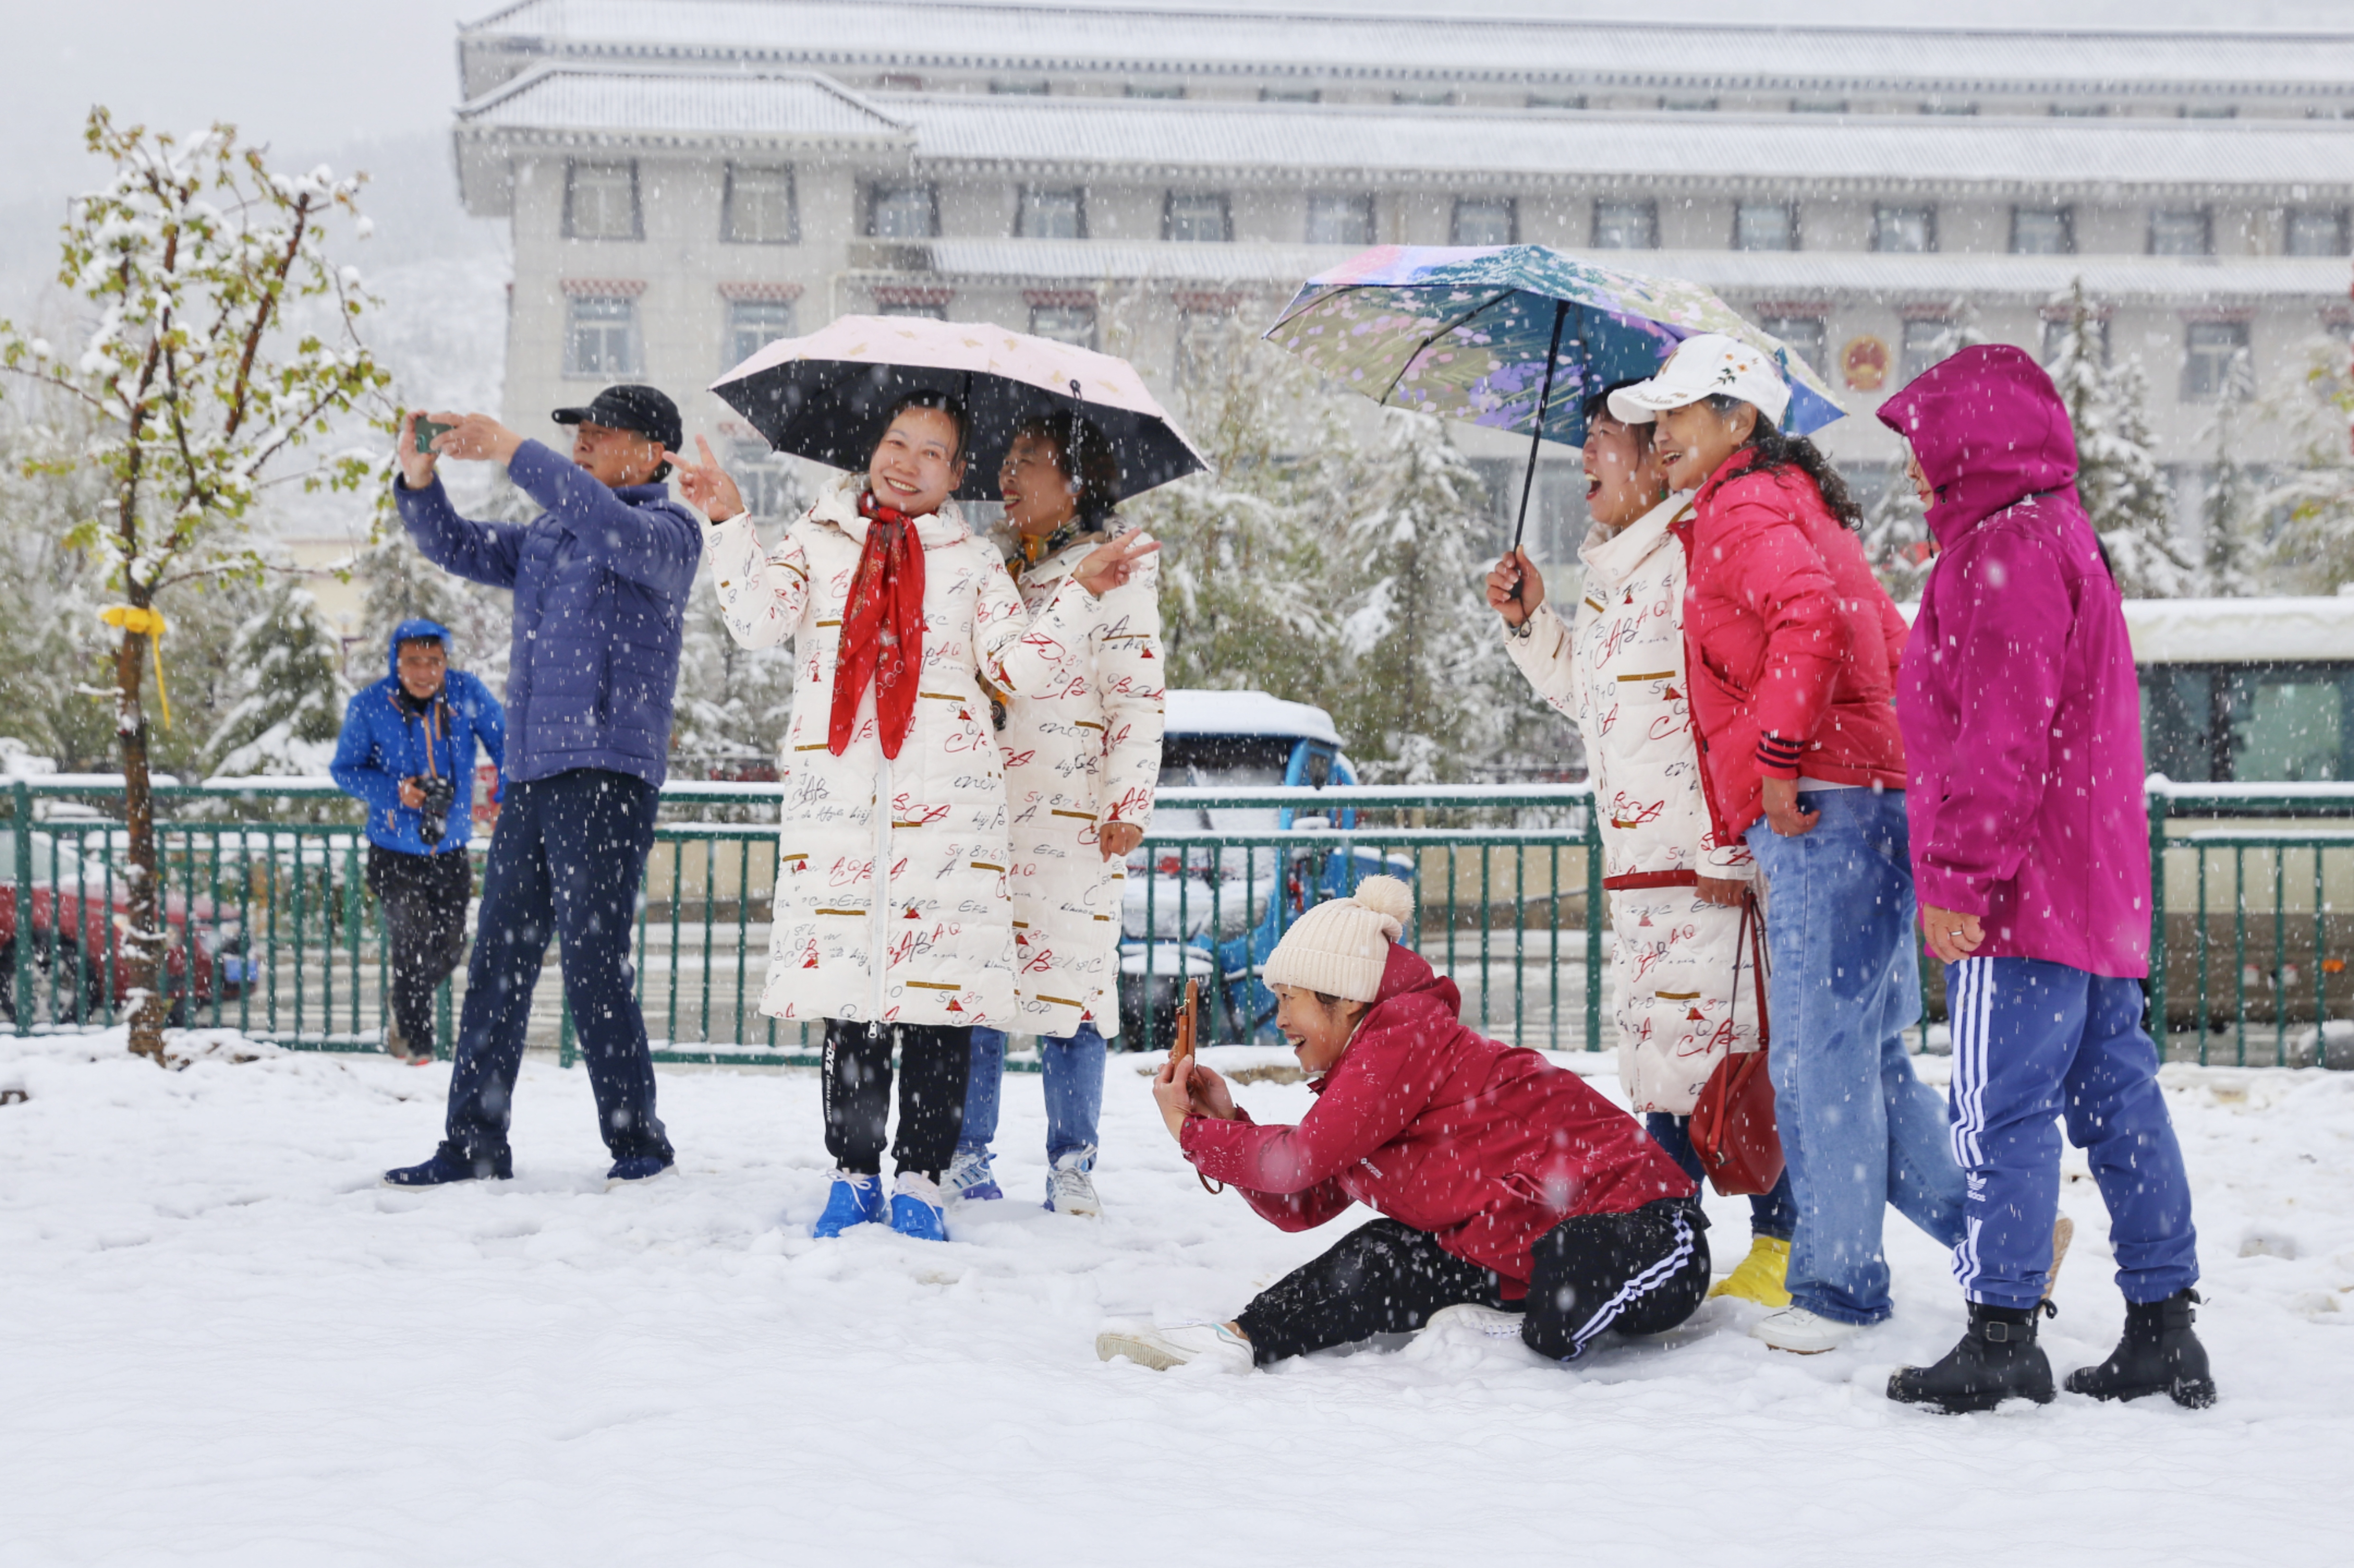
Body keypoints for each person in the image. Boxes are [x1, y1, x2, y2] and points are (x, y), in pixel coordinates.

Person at [686, 394, 1156, 1241]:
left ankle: (921, 1179)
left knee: (940, 1013)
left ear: (955, 473)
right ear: (871, 448)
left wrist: (1081, 593)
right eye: (897, 442)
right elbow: (755, 620)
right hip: (843, 814)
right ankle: (853, 1173)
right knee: (852, 1009)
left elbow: (1017, 669)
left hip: (948, 823)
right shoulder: (817, 539)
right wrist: (727, 519)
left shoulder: (974, 564)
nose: (907, 462)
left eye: (932, 452)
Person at [1603, 334, 1964, 1355]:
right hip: (1871, 798)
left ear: (1740, 419)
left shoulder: (1739, 510)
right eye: (1655, 415)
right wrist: (1904, 770)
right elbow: (1885, 638)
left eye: (1680, 412)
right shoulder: (1797, 504)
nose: (1659, 433)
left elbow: (1811, 619)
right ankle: (1997, 1234)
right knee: (1866, 1056)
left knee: (1813, 1056)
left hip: (1822, 808)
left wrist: (1776, 758)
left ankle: (1840, 1287)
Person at [1878, 345, 2213, 1413]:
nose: (1913, 471)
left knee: (1999, 1107)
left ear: (1969, 445)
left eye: (1923, 448)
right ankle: (2165, 1324)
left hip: (2023, 891)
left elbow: (1999, 737)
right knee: (2117, 1095)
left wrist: (1958, 877)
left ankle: (2000, 1330)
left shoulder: (2004, 550)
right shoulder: (2061, 533)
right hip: (2093, 883)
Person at [1095, 876, 1707, 1373]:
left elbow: (1297, 1160)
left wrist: (1193, 1134)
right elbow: (1301, 1201)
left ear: (1345, 997)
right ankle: (1243, 1336)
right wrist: (1225, 1123)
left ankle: (1527, 1324)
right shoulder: (1367, 1070)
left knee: (1565, 1292)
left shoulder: (1403, 1039)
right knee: (1381, 1254)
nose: (1277, 1018)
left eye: (1288, 998)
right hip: (1514, 1253)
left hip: (1651, 1231)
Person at [1485, 383, 1798, 1307]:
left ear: (1656, 457)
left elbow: (1728, 711)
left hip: (1700, 866)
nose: (1583, 455)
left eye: (1601, 437)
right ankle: (1669, 1234)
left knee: (1730, 1058)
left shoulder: (1693, 555)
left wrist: (1726, 849)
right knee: (1663, 1069)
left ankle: (1779, 1241)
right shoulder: (1614, 573)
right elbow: (1595, 700)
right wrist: (1530, 623)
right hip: (1641, 869)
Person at [380, 385, 700, 1189]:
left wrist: (510, 449)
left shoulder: (668, 535)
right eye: (578, 431)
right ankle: (473, 1141)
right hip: (532, 774)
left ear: (654, 455)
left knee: (594, 964)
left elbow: (610, 525)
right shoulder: (551, 534)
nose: (583, 441)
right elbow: (455, 544)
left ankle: (638, 1143)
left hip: (607, 774)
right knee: (498, 962)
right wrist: (419, 480)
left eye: (603, 432)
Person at [944, 414, 1165, 1218]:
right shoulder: (996, 567)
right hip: (988, 810)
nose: (1008, 476)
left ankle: (1072, 1161)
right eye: (1006, 459)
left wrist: (1127, 803)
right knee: (979, 990)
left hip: (1072, 819)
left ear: (1076, 482)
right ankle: (967, 1153)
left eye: (1029, 461)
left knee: (1072, 992)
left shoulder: (1114, 570)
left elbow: (1136, 698)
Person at [330, 619, 505, 1066]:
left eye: (434, 661)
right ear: (397, 662)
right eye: (413, 662)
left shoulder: (466, 694)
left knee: (449, 947)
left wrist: (505, 794)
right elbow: (345, 770)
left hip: (451, 846)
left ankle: (403, 1003)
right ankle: (418, 1045)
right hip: (393, 849)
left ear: (446, 662)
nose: (425, 672)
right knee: (410, 944)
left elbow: (506, 743)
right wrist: (396, 792)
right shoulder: (370, 705)